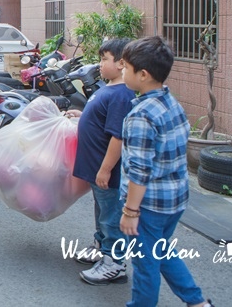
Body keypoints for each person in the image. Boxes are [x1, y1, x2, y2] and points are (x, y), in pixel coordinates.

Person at [119, 37, 213, 307]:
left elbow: (139, 171)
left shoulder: (142, 116)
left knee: (146, 266)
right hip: (174, 200)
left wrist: (130, 212)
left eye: (126, 67)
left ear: (143, 75)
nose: (123, 72)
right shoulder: (171, 102)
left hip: (147, 206)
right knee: (162, 251)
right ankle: (197, 302)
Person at [65, 38, 135, 284]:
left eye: (104, 59)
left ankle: (114, 263)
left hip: (108, 172)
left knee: (111, 216)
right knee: (102, 211)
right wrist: (82, 115)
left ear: (121, 63)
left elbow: (118, 137)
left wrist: (105, 169)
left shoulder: (122, 95)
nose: (100, 64)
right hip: (96, 168)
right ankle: (101, 248)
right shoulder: (110, 88)